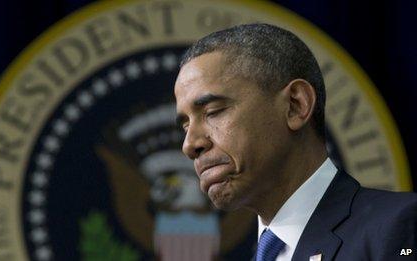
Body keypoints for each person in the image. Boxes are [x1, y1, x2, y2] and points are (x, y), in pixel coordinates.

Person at [173, 23, 417, 261]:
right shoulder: (265, 253)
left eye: (213, 111)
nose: (189, 144)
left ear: (295, 106)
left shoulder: (400, 228)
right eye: (185, 126)